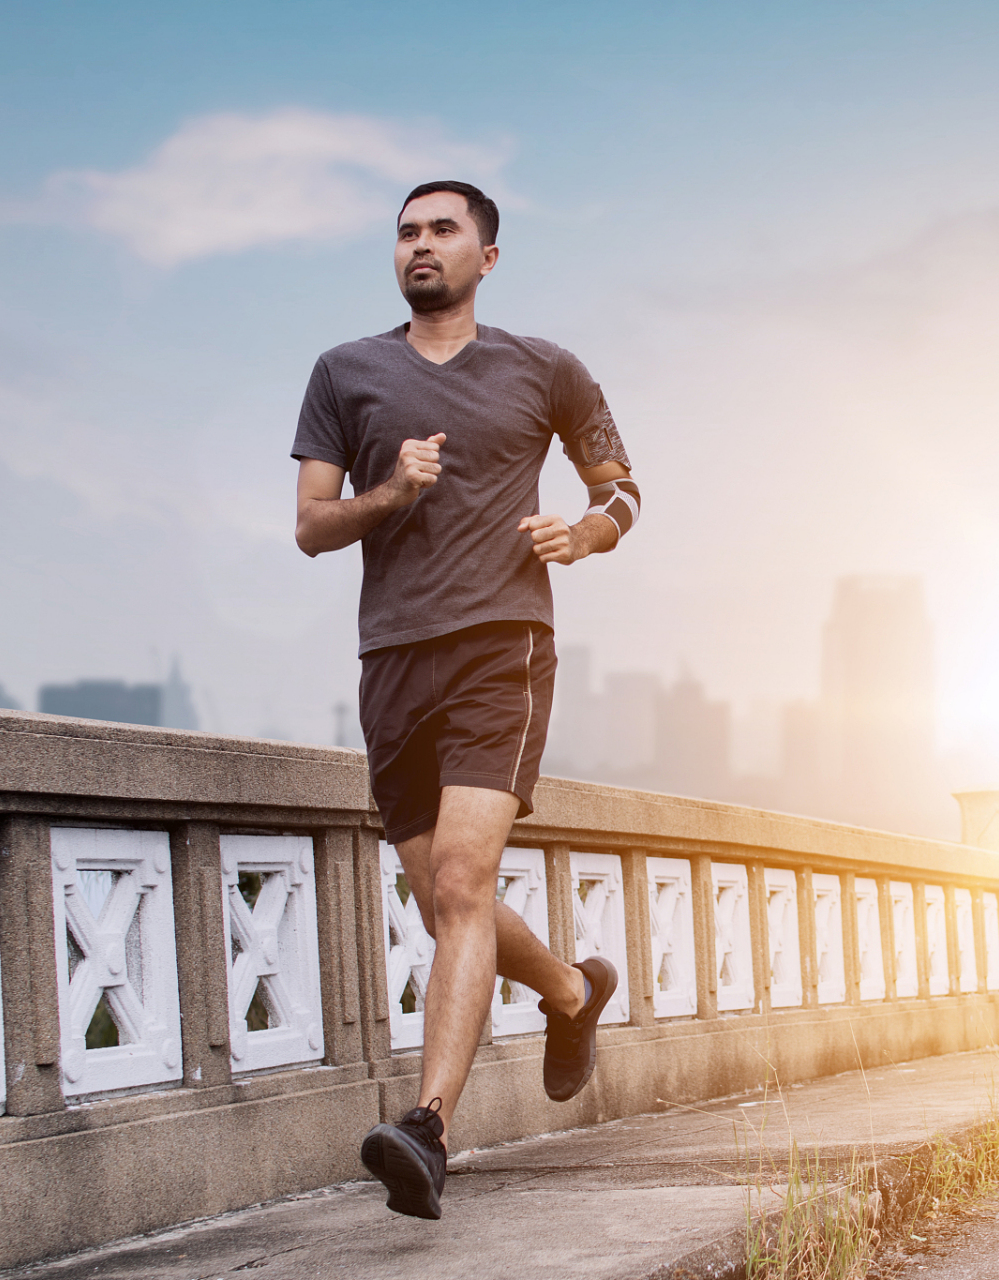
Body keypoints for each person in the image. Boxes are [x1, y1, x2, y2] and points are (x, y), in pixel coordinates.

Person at [290, 180, 638, 1221]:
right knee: (450, 899)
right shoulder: (345, 373)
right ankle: (574, 991)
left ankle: (429, 1127)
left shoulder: (545, 367)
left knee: (458, 880)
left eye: (443, 230)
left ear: (489, 255)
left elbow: (621, 487)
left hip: (502, 647)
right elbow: (310, 524)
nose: (421, 245)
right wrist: (392, 492)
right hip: (393, 656)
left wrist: (584, 533)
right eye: (407, 232)